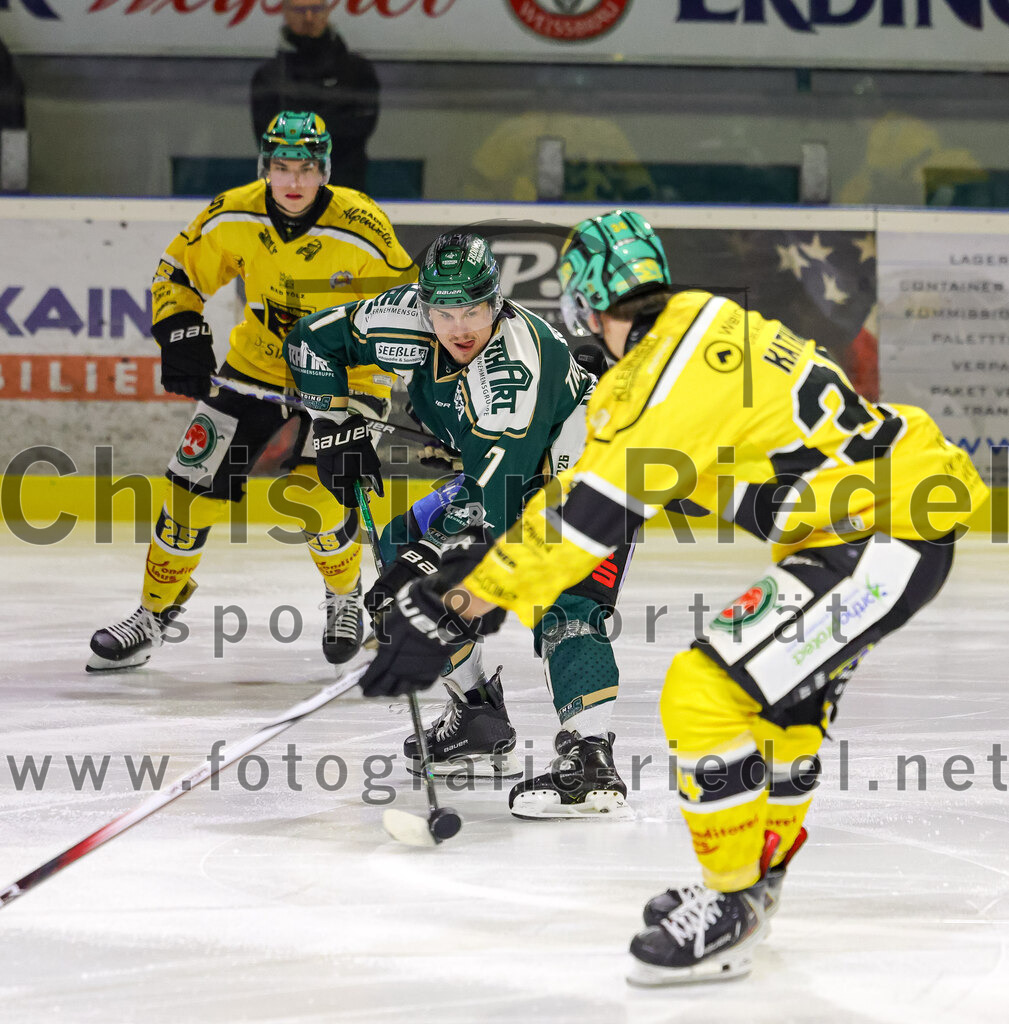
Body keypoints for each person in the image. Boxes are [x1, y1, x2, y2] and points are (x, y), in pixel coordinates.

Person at [355, 210, 990, 983]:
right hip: (877, 523)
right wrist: (470, 569)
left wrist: (460, 607)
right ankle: (752, 885)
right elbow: (576, 495)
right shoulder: (708, 325)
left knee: (701, 692)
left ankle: (730, 904)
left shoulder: (663, 376)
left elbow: (588, 519)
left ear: (581, 306)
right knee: (783, 716)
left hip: (885, 536)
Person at [284, 231, 634, 818]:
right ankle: (476, 714)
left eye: (473, 308)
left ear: (495, 303)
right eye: (444, 310)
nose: (459, 326)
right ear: (424, 305)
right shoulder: (404, 322)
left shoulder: (510, 378)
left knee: (563, 605)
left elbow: (489, 505)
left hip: (587, 480)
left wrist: (422, 567)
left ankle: (591, 761)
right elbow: (311, 342)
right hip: (499, 478)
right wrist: (333, 427)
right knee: (399, 541)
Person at [88, 111, 415, 673]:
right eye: (281, 166)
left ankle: (344, 597)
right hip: (255, 366)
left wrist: (372, 404)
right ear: (265, 166)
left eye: (307, 168)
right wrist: (182, 335)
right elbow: (178, 273)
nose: (293, 181)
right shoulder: (233, 213)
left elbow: (407, 312)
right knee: (190, 487)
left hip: (344, 377)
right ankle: (152, 614)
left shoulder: (361, 226)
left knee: (316, 494)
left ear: (325, 171)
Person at [251, 0, 379, 192]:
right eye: (300, 10)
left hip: (344, 192)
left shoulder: (357, 71)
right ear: (285, 12)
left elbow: (357, 130)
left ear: (327, 12)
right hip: (289, 195)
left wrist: (298, 128)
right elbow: (269, 139)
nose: (309, 17)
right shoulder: (268, 76)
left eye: (316, 9)